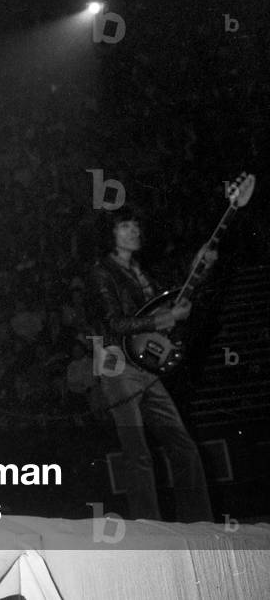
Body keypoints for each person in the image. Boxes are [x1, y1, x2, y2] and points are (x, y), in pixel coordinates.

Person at [89, 206, 216, 522]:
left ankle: (199, 520)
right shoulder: (102, 271)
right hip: (117, 365)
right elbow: (114, 323)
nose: (134, 231)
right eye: (125, 226)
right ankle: (148, 525)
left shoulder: (141, 271)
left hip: (144, 366)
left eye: (135, 225)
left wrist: (199, 271)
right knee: (137, 450)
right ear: (111, 235)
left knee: (182, 444)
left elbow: (171, 300)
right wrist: (163, 318)